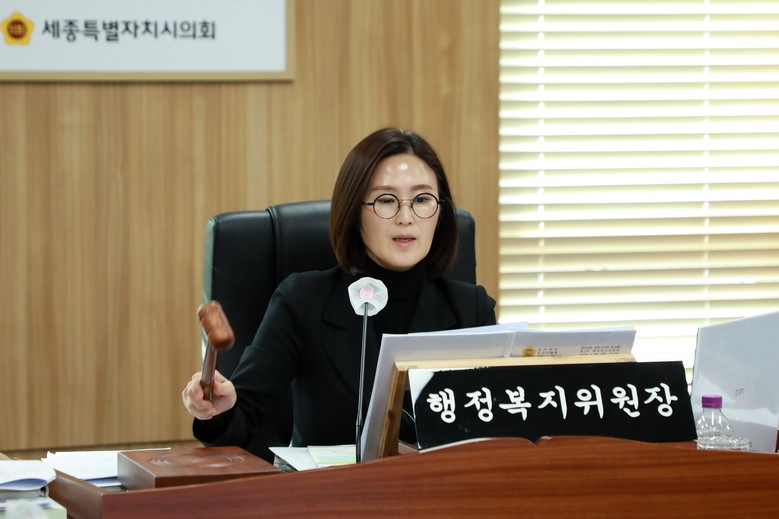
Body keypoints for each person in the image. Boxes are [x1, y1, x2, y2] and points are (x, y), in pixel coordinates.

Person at [182, 127, 496, 450]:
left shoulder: (472, 310)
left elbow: (495, 430)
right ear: (353, 210)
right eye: (386, 200)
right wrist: (219, 408)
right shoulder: (303, 301)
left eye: (422, 199)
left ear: (440, 211)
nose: (406, 217)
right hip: (330, 484)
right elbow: (240, 422)